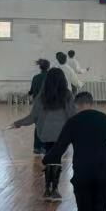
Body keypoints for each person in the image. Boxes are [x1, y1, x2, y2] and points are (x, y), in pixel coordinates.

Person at [12, 68, 76, 201]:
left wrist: (18, 123)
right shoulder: (67, 95)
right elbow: (72, 116)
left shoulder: (42, 96)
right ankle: (55, 190)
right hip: (62, 135)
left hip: (45, 133)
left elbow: (32, 117)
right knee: (56, 159)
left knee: (49, 157)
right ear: (63, 80)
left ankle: (47, 189)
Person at [28, 59, 50, 154]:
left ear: (40, 67)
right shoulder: (50, 77)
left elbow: (31, 91)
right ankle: (44, 147)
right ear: (48, 67)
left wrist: (29, 94)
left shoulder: (35, 77)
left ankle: (37, 147)